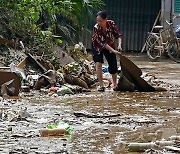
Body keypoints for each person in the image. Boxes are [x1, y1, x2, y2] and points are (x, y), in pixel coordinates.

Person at [91, 10, 122, 92]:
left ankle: (115, 84)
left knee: (113, 64)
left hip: (110, 44)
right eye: (97, 20)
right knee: (98, 63)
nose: (99, 22)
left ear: (106, 19)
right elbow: (103, 44)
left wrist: (119, 45)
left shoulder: (111, 24)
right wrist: (114, 51)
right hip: (97, 46)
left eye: (100, 21)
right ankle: (101, 85)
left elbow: (118, 35)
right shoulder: (96, 28)